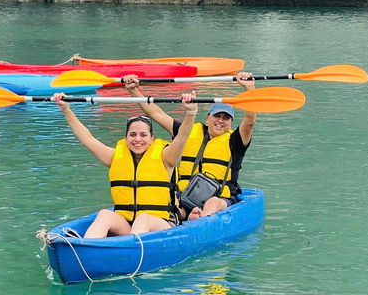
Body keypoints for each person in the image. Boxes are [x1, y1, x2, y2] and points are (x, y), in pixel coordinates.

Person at [52, 91, 197, 238]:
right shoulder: (115, 157)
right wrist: (66, 110)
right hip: (128, 224)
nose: (137, 139)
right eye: (132, 135)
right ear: (126, 138)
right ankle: (85, 247)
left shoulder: (167, 157)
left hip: (161, 223)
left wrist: (191, 112)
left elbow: (182, 137)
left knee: (143, 219)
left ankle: (128, 250)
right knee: (105, 215)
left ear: (152, 138)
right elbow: (87, 139)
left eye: (143, 135)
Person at [123, 72, 256, 220]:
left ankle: (198, 225)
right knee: (165, 198)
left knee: (212, 202)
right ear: (207, 118)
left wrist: (249, 88)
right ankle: (172, 222)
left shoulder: (236, 140)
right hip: (185, 197)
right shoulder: (187, 132)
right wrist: (133, 90)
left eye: (226, 118)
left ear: (231, 122)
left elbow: (249, 121)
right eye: (217, 116)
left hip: (220, 199)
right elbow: (156, 114)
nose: (220, 121)